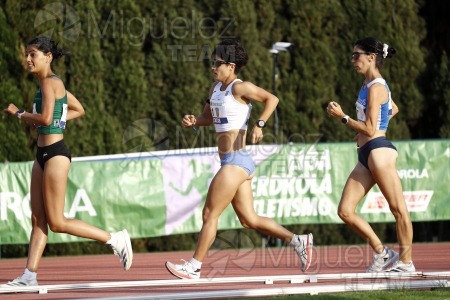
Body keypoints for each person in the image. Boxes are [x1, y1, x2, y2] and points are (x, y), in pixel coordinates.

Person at [165, 39, 313, 279]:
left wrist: (260, 124)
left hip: (236, 161)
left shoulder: (240, 87)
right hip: (232, 162)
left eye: (217, 64)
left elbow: (272, 99)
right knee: (249, 219)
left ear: (231, 66)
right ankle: (297, 240)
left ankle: (194, 266)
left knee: (209, 214)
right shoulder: (215, 89)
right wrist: (194, 121)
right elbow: (207, 117)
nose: (213, 67)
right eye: (212, 63)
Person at [2, 36, 133, 287]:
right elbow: (78, 109)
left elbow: (45, 117)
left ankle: (114, 238)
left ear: (47, 57)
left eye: (33, 54)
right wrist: (55, 122)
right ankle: (29, 276)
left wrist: (19, 113)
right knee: (38, 219)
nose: (28, 59)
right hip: (42, 156)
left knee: (57, 222)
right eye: (27, 54)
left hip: (56, 155)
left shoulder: (51, 83)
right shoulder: (46, 85)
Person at [326, 37, 414, 272]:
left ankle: (406, 263)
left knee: (398, 210)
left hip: (379, 152)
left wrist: (343, 117)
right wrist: (369, 130)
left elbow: (370, 128)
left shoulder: (376, 87)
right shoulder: (368, 85)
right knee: (345, 210)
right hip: (366, 152)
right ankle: (383, 253)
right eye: (352, 55)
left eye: (357, 55)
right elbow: (393, 108)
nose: (353, 60)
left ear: (371, 57)